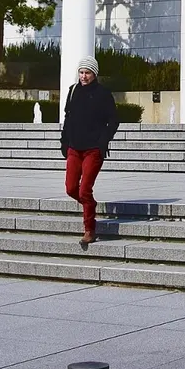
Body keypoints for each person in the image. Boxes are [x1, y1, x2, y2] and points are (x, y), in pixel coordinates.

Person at [61, 55, 120, 248]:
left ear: (94, 74)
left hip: (93, 149)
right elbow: (68, 118)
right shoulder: (72, 91)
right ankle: (90, 205)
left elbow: (113, 121)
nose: (83, 76)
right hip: (74, 148)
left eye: (87, 73)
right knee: (71, 189)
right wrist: (64, 142)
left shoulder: (103, 93)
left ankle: (89, 229)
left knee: (85, 189)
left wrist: (103, 142)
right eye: (81, 72)